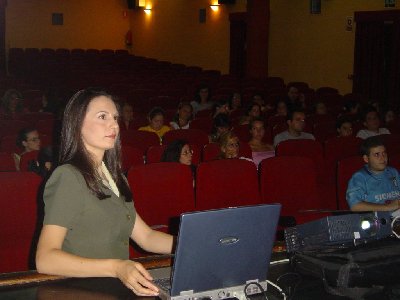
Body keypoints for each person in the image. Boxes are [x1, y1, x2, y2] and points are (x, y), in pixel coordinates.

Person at [35, 88, 173, 296]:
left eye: (115, 118)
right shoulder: (68, 176)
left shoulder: (115, 177)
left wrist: (192, 245)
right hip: (82, 290)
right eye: (103, 117)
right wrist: (116, 267)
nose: (114, 125)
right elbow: (45, 259)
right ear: (77, 125)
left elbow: (146, 237)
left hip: (115, 288)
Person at [346, 136, 400, 212]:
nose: (382, 158)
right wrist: (387, 207)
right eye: (377, 154)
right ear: (366, 159)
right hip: (377, 220)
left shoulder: (393, 172)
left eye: (384, 153)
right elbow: (355, 206)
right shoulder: (359, 177)